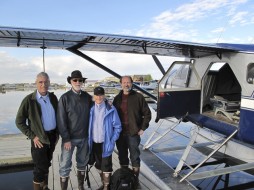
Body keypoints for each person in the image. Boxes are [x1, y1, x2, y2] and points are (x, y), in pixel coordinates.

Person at [16, 72, 58, 190]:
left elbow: (59, 116)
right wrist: (32, 136)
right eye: (40, 82)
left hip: (52, 137)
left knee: (47, 164)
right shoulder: (29, 100)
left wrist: (58, 134)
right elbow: (19, 121)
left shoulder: (53, 97)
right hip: (39, 139)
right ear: (36, 83)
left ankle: (45, 186)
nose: (43, 84)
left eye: (46, 82)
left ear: (49, 83)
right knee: (39, 168)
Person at [113, 76, 152, 189]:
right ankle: (125, 178)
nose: (126, 84)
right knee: (122, 156)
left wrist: (143, 128)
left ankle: (136, 181)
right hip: (120, 133)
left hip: (133, 133)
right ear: (121, 84)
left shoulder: (138, 97)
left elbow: (147, 114)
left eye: (128, 82)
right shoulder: (117, 98)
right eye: (124, 82)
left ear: (132, 83)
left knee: (135, 157)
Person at [57, 70, 93, 190]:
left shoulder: (88, 97)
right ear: (71, 82)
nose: (78, 82)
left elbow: (97, 106)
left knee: (82, 163)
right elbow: (61, 120)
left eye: (80, 80)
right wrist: (66, 139)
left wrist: (107, 103)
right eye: (75, 80)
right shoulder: (64, 98)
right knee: (65, 165)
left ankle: (81, 186)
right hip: (69, 139)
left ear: (83, 82)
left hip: (84, 138)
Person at [88, 86, 122, 190]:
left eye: (101, 95)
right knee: (98, 166)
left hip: (106, 143)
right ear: (94, 96)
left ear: (104, 95)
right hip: (94, 142)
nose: (99, 97)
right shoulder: (90, 108)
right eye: (97, 95)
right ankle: (104, 183)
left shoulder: (110, 108)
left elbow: (118, 126)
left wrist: (112, 140)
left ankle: (107, 187)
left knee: (106, 166)